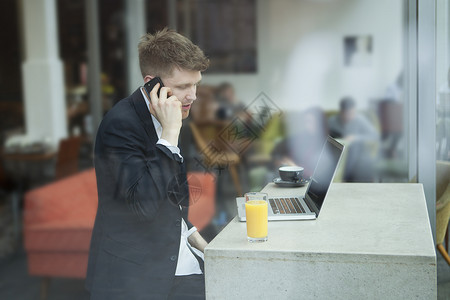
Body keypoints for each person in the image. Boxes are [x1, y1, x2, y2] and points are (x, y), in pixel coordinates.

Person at [85, 28, 210, 299]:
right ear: (152, 84)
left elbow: (172, 197)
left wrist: (192, 235)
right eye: (182, 86)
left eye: (195, 84)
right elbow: (144, 206)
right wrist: (168, 138)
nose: (193, 96)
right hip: (138, 276)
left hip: (173, 254)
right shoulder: (120, 125)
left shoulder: (172, 116)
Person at [328, 97, 379, 182]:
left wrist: (355, 138)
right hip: (337, 151)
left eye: (352, 113)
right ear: (341, 112)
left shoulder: (360, 120)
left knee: (363, 161)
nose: (349, 116)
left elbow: (374, 136)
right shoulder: (332, 121)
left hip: (356, 152)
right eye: (346, 113)